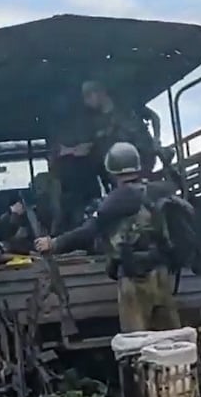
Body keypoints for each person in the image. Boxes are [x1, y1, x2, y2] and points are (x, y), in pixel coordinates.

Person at [34, 142, 185, 332]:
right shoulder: (158, 190)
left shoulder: (117, 199)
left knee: (136, 343)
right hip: (162, 275)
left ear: (112, 171)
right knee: (171, 339)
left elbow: (89, 231)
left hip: (135, 279)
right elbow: (176, 185)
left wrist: (54, 243)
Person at [82, 80, 159, 179]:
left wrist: (156, 140)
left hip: (145, 158)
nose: (87, 101)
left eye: (89, 95)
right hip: (123, 170)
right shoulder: (97, 123)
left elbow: (154, 117)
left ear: (101, 92)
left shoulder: (126, 105)